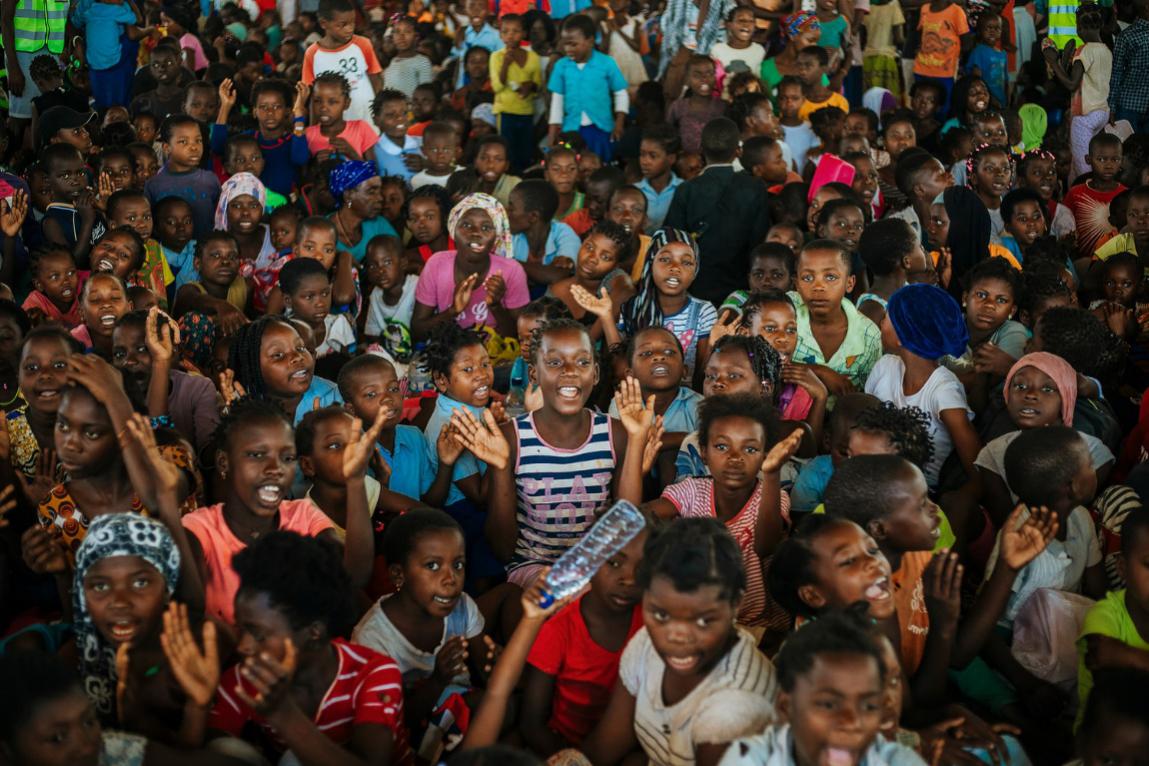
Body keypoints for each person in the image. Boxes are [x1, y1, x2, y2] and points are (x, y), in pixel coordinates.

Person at [580, 518, 778, 766]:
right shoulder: (645, 644)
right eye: (661, 615)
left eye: (704, 620)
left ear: (736, 604)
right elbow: (607, 743)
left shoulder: (734, 711)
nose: (677, 637)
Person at [207, 531, 411, 765]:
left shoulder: (373, 672)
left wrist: (283, 714)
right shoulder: (245, 681)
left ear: (314, 631)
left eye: (258, 634)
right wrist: (197, 706)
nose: (243, 646)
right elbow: (212, 752)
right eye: (241, 629)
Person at [717, 608, 927, 766]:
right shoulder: (749, 759)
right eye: (828, 704)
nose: (851, 721)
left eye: (869, 706)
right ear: (786, 707)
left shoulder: (898, 760)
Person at [412, 193, 528, 341]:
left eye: (486, 227)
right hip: (448, 354)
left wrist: (496, 306)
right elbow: (417, 332)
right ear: (453, 229)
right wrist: (453, 311)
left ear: (496, 238)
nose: (475, 233)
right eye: (466, 225)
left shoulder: (511, 271)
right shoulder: (436, 264)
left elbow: (521, 337)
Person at [546, 14, 629, 162]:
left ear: (590, 41)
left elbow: (620, 93)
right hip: (571, 130)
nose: (568, 49)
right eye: (565, 44)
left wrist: (619, 122)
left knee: (600, 163)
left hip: (602, 129)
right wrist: (552, 135)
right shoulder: (561, 66)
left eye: (573, 44)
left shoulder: (606, 63)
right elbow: (557, 102)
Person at [301, 0, 384, 123]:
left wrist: (378, 114)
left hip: (367, 120)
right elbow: (313, 96)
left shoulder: (362, 44)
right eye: (342, 24)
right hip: (334, 125)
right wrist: (314, 128)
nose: (349, 29)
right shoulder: (312, 53)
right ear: (324, 23)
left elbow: (376, 80)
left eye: (352, 23)